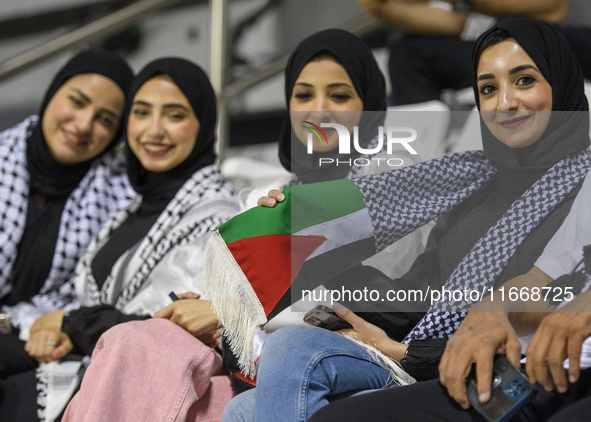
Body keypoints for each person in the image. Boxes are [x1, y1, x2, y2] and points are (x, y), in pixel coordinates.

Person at [220, 18, 591, 422]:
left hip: (490, 372)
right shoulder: (473, 187)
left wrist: (411, 354)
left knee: (291, 351)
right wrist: (308, 243)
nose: (505, 102)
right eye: (488, 88)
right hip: (421, 355)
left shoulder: (583, 189)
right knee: (242, 410)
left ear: (562, 84)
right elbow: (416, 296)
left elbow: (537, 315)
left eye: (524, 81)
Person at [3, 58, 240, 422]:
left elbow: (171, 323)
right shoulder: (129, 208)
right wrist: (68, 331)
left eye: (174, 115)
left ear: (203, 125)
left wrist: (73, 324)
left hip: (132, 380)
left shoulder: (216, 215)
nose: (154, 130)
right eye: (142, 112)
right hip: (82, 362)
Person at [0, 49, 135, 420]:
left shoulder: (120, 200)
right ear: (52, 93)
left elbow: (95, 299)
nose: (83, 124)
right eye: (76, 101)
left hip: (43, 340)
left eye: (105, 119)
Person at [356, 0, 591, 106]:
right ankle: (424, 172)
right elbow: (466, 23)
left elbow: (551, 8)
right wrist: (384, 7)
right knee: (406, 51)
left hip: (574, 38)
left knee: (513, 27)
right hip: (499, 31)